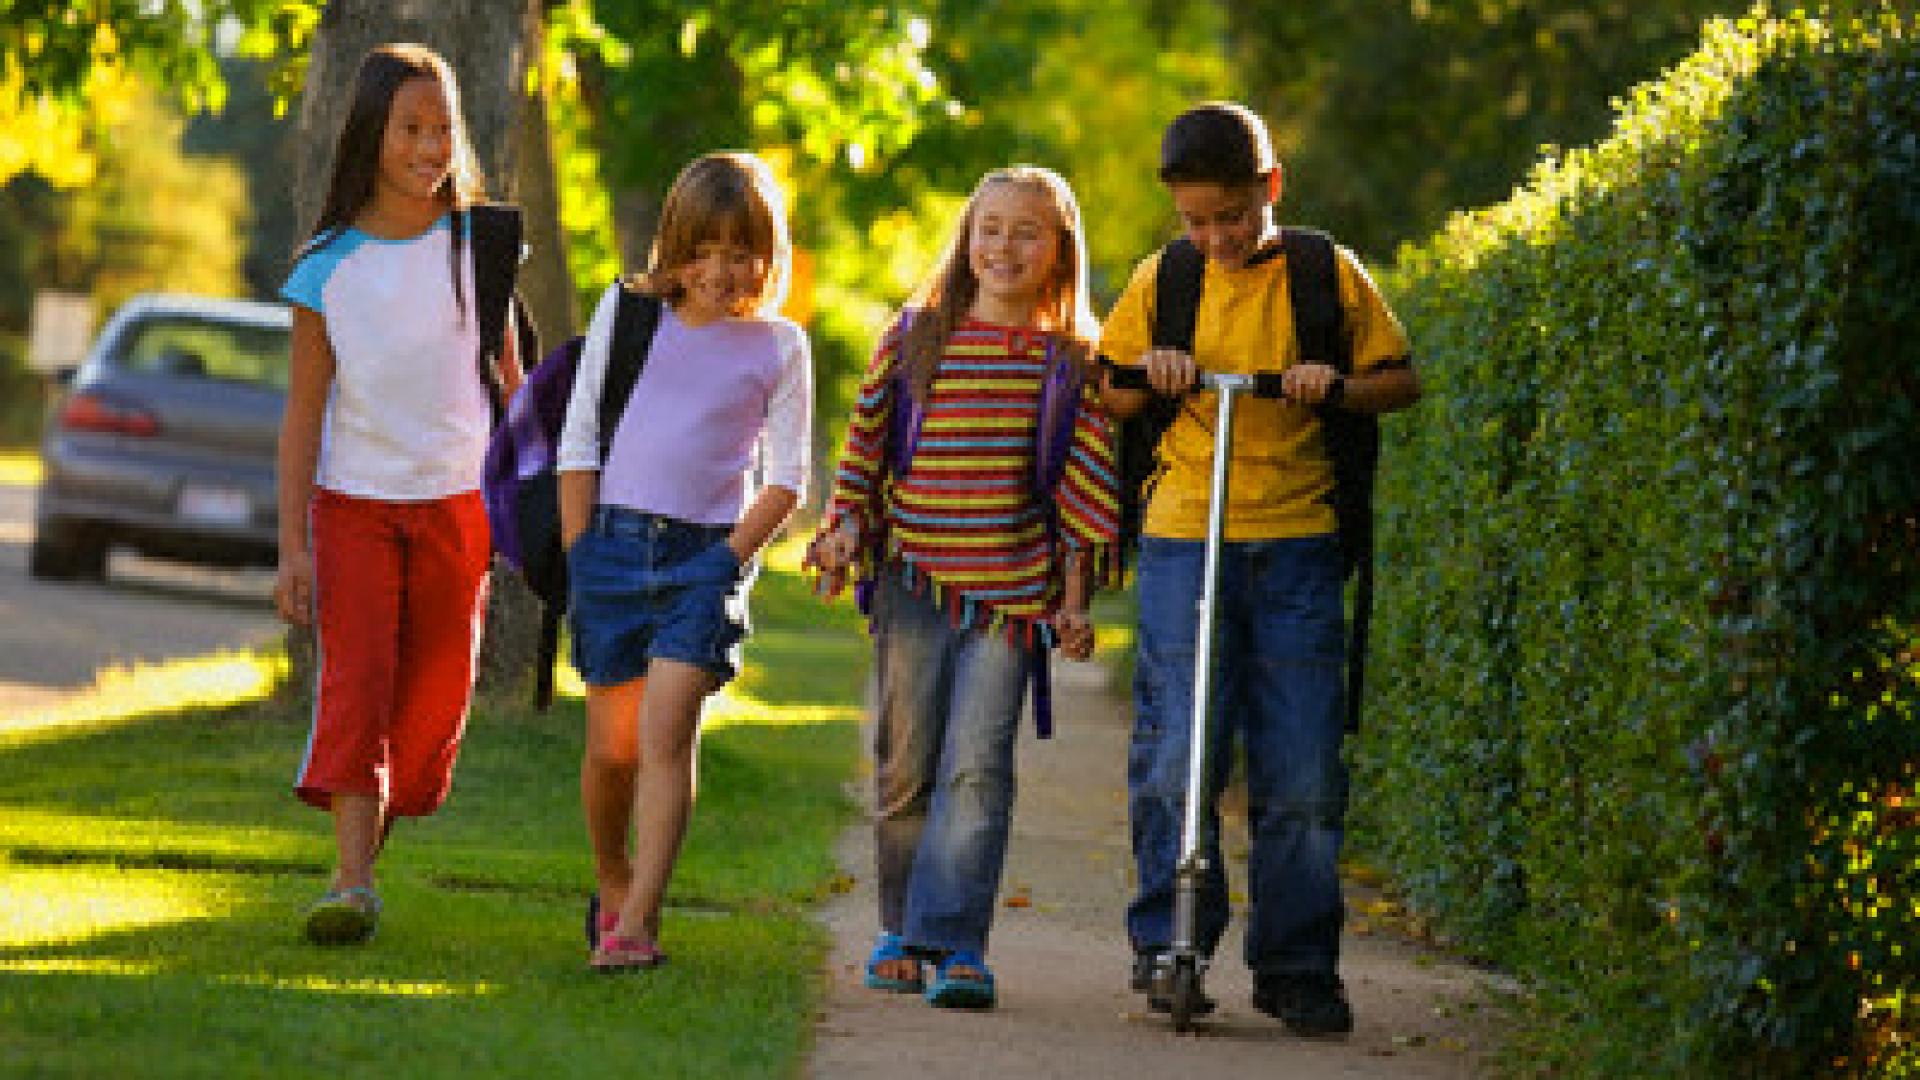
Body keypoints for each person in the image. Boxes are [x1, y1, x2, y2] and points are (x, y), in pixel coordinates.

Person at [1098, 102, 1421, 1034]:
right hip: (1184, 537)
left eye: (1230, 217)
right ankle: (1171, 941)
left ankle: (1294, 966)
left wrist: (1335, 385)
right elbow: (1111, 390)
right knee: (1176, 753)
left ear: (1269, 190)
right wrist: (1155, 368)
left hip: (1297, 544)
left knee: (1304, 765)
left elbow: (1399, 380)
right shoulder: (1165, 279)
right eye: (1196, 222)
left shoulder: (1327, 274)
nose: (1215, 238)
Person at [807, 166, 1120, 1010]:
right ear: (966, 238)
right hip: (915, 582)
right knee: (907, 768)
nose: (1004, 246)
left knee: (978, 771)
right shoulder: (916, 337)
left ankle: (957, 944)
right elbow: (866, 452)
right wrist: (842, 535)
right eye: (990, 228)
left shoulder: (1069, 363)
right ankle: (900, 929)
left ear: (1059, 252)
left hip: (1012, 600)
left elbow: (1083, 490)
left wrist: (1075, 601)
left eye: (1026, 231)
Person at [277, 43, 524, 945]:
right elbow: (304, 415)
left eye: (442, 129)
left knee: (429, 711)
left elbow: (511, 381)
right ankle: (349, 883)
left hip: (459, 507)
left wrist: (522, 502)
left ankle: (361, 866)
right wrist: (293, 546)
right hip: (354, 504)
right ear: (370, 136)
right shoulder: (326, 267)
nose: (430, 147)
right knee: (357, 683)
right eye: (411, 129)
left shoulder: (480, 245)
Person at [558, 151, 812, 973]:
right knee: (612, 752)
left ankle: (635, 924)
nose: (721, 271)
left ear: (766, 256)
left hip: (707, 560)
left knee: (667, 737)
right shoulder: (628, 314)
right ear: (676, 245)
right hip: (613, 549)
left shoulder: (780, 345)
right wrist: (580, 554)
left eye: (741, 253)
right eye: (705, 250)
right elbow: (580, 440)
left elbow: (788, 479)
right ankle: (611, 876)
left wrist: (727, 562)